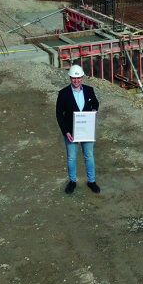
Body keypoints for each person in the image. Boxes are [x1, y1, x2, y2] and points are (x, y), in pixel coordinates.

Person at [56, 64, 100, 194]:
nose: (76, 81)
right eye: (74, 78)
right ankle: (72, 181)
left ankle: (91, 181)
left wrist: (94, 109)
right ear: (70, 78)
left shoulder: (89, 90)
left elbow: (95, 102)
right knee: (71, 157)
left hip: (86, 130)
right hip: (71, 132)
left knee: (89, 156)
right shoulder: (63, 93)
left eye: (79, 78)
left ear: (82, 78)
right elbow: (59, 114)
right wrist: (66, 132)